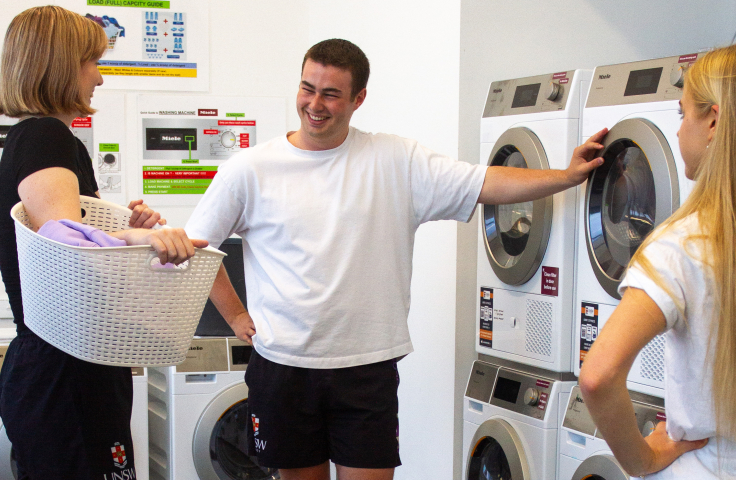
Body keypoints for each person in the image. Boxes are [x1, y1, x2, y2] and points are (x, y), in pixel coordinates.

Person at [185, 38, 606, 480]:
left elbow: (486, 183)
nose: (314, 104)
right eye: (307, 88)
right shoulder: (250, 168)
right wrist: (235, 316)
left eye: (331, 94)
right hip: (284, 367)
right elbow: (198, 250)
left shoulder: (396, 160)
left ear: (358, 98)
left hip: (367, 368)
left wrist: (565, 176)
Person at [0, 6, 206, 479]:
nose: (99, 78)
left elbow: (76, 235)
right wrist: (139, 237)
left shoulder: (50, 141)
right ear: (59, 65)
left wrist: (126, 230)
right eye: (91, 63)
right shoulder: (44, 137)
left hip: (72, 365)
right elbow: (64, 246)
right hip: (62, 370)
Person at [579, 44, 736, 479]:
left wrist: (642, 460)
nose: (681, 130)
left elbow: (597, 376)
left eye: (683, 114)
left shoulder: (686, 245)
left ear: (713, 122)